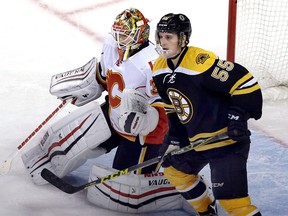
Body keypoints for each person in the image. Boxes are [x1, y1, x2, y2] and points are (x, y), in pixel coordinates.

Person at [21, 8, 188, 214]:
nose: (119, 39)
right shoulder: (111, 44)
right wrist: (85, 89)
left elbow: (163, 109)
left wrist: (148, 125)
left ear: (140, 36)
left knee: (121, 190)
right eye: (117, 33)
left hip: (140, 134)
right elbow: (105, 76)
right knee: (64, 147)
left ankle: (177, 188)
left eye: (125, 35)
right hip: (112, 115)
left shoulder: (152, 62)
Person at [152, 13, 263, 216]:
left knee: (234, 205)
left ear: (183, 38)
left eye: (169, 37)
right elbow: (172, 108)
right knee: (174, 170)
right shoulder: (159, 69)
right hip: (198, 141)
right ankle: (207, 211)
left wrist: (237, 117)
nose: (163, 41)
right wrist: (175, 137)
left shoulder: (199, 62)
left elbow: (245, 82)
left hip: (226, 140)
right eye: (161, 36)